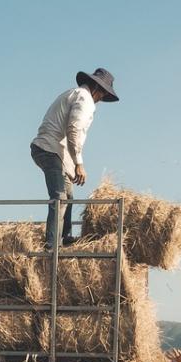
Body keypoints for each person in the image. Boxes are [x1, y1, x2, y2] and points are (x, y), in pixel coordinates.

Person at [30, 68, 118, 249]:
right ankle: (52, 245)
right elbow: (74, 129)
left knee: (68, 194)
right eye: (102, 93)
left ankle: (66, 236)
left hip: (55, 151)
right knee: (59, 197)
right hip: (50, 149)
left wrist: (72, 167)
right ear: (96, 88)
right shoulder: (84, 99)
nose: (101, 98)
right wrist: (79, 164)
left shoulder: (74, 94)